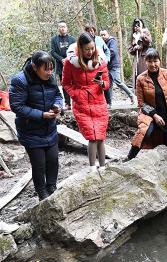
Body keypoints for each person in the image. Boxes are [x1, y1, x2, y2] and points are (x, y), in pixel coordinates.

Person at [9, 51, 63, 200]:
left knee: (53, 161)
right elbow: (17, 106)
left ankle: (52, 187)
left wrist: (58, 106)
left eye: (51, 68)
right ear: (34, 67)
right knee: (39, 164)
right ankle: (42, 193)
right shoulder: (20, 80)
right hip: (30, 130)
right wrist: (41, 114)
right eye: (45, 69)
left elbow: (58, 95)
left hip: (49, 128)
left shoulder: (50, 77)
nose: (49, 72)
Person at [62, 32, 110, 172]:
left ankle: (103, 166)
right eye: (87, 49)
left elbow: (107, 81)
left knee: (100, 136)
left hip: (98, 102)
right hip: (81, 104)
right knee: (92, 137)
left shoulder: (100, 61)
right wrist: (76, 94)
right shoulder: (70, 63)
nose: (90, 52)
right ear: (80, 48)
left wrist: (102, 84)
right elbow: (66, 83)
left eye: (92, 48)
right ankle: (92, 168)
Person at [100, 30, 135, 107]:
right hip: (107, 66)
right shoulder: (103, 43)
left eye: (104, 35)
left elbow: (112, 52)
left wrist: (104, 58)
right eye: (101, 35)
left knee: (118, 81)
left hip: (114, 65)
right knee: (109, 84)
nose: (103, 36)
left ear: (108, 34)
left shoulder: (112, 41)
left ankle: (131, 95)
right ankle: (109, 102)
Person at [50, 21, 76, 110]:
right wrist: (61, 59)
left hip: (72, 64)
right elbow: (52, 52)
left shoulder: (72, 39)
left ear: (67, 28)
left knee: (75, 84)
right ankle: (67, 103)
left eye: (64, 26)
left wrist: (68, 59)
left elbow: (76, 51)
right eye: (60, 27)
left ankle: (76, 102)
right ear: (58, 28)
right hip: (61, 65)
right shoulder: (54, 39)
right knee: (65, 84)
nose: (62, 28)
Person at [128, 18, 152, 88]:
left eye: (138, 25)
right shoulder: (134, 35)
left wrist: (141, 33)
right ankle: (138, 94)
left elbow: (149, 41)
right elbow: (131, 48)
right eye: (135, 26)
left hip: (144, 57)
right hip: (137, 58)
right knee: (136, 76)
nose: (136, 27)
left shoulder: (145, 32)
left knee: (144, 75)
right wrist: (134, 48)